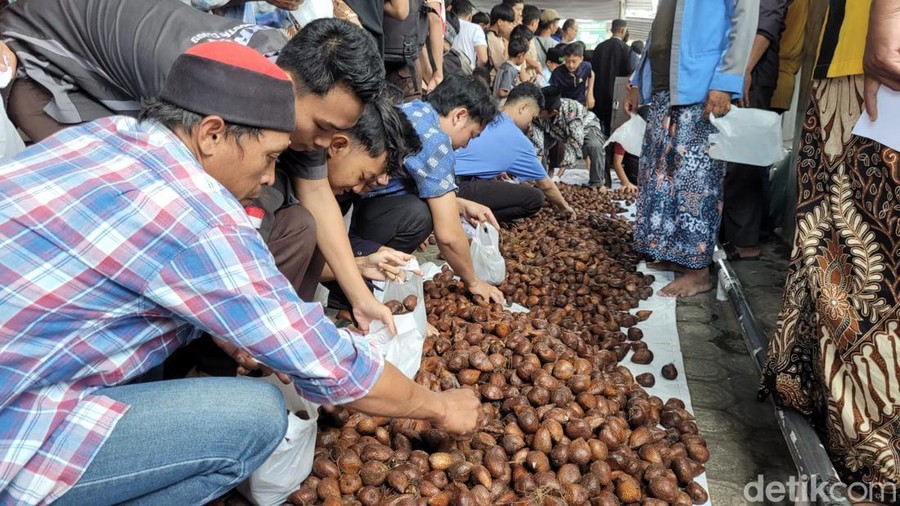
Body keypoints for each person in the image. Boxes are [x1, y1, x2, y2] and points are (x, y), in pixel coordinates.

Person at [0, 42, 480, 505]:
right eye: (270, 157)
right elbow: (326, 361)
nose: (273, 177)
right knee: (257, 417)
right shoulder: (199, 214)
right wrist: (437, 406)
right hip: (16, 430)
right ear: (211, 133)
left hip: (25, 368)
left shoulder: (106, 135)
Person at [760, 0, 900, 492]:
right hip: (870, 65)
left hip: (866, 63)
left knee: (850, 257)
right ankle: (865, 455)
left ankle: (859, 445)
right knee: (853, 259)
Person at [624, 0, 757, 297]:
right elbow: (660, 30)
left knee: (694, 183)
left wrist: (725, 80)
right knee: (660, 179)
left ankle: (697, 271)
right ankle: (673, 254)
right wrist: (637, 82)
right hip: (664, 90)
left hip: (699, 88)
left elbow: (745, 19)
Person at [351, 75, 505, 303]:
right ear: (460, 116)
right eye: (471, 135)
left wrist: (459, 204)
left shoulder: (414, 109)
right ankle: (362, 281)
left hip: (353, 209)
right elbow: (449, 235)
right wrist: (474, 282)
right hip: (358, 218)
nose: (465, 145)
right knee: (421, 215)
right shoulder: (435, 141)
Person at [720, 0, 790, 262]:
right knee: (740, 159)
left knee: (742, 160)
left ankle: (745, 242)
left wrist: (744, 70)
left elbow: (766, 27)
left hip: (752, 76)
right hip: (742, 73)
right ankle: (743, 234)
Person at [455, 82, 576, 222]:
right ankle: (474, 217)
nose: (531, 124)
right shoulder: (518, 140)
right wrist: (564, 207)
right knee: (535, 198)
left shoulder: (488, 116)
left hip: (445, 179)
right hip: (458, 187)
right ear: (523, 108)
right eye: (532, 117)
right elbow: (547, 185)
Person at [534, 86, 606, 186]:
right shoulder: (538, 115)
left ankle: (597, 183)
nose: (537, 114)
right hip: (555, 130)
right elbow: (537, 144)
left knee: (594, 145)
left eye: (540, 112)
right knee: (539, 146)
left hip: (585, 127)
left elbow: (574, 143)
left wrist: (558, 176)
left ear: (553, 112)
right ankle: (543, 178)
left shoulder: (572, 111)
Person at [590, 18, 633, 134]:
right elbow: (629, 72)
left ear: (611, 30)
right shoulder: (626, 49)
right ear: (623, 31)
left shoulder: (599, 47)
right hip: (616, 96)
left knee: (596, 124)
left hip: (597, 93)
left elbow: (592, 70)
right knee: (612, 127)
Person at [550, 42, 595, 108]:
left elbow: (591, 74)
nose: (570, 65)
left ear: (581, 59)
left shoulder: (586, 66)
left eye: (574, 61)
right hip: (564, 105)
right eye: (567, 61)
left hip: (581, 103)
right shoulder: (557, 74)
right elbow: (554, 94)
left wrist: (590, 93)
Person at [451, 0, 488, 72]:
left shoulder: (445, 24)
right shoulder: (475, 28)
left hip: (445, 68)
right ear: (470, 17)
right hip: (465, 71)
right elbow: (483, 59)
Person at [495, 36, 528, 105]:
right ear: (521, 55)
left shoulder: (504, 65)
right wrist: (518, 90)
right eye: (525, 56)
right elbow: (502, 92)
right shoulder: (510, 70)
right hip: (502, 105)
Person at [486, 3, 516, 76]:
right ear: (499, 22)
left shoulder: (498, 37)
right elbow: (501, 66)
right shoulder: (492, 38)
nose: (510, 27)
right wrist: (506, 49)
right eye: (509, 23)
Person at [534, 8, 560, 81]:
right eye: (557, 24)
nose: (557, 27)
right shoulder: (556, 44)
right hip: (549, 79)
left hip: (535, 78)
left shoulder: (532, 41)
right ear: (551, 25)